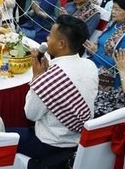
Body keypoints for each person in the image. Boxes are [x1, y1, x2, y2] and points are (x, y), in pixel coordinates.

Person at [21, 15, 98, 164]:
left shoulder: (48, 79)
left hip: (48, 144)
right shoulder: (90, 66)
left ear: (61, 44)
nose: (47, 38)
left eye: (50, 35)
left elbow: (30, 114)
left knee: (2, 132)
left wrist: (37, 78)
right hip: (78, 142)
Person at [84, 0, 125, 91]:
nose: (113, 12)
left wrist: (95, 52)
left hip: (109, 77)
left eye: (117, 10)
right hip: (95, 65)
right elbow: (101, 46)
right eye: (113, 8)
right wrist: (92, 48)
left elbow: (117, 64)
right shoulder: (113, 24)